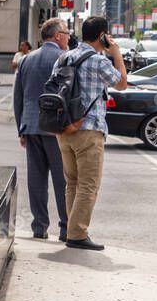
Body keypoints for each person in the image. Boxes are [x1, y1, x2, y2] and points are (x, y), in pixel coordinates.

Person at [53, 16, 128, 251]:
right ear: (102, 35)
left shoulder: (64, 56)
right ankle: (77, 234)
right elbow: (122, 83)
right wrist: (116, 53)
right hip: (89, 129)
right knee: (88, 185)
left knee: (72, 183)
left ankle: (71, 230)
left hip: (64, 129)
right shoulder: (98, 61)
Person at [13, 19, 70, 241]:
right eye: (66, 32)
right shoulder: (64, 58)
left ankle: (39, 227)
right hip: (56, 129)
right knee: (62, 180)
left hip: (30, 127)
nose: (68, 37)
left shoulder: (26, 60)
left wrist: (21, 129)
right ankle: (65, 228)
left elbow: (18, 97)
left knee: (36, 178)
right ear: (57, 36)